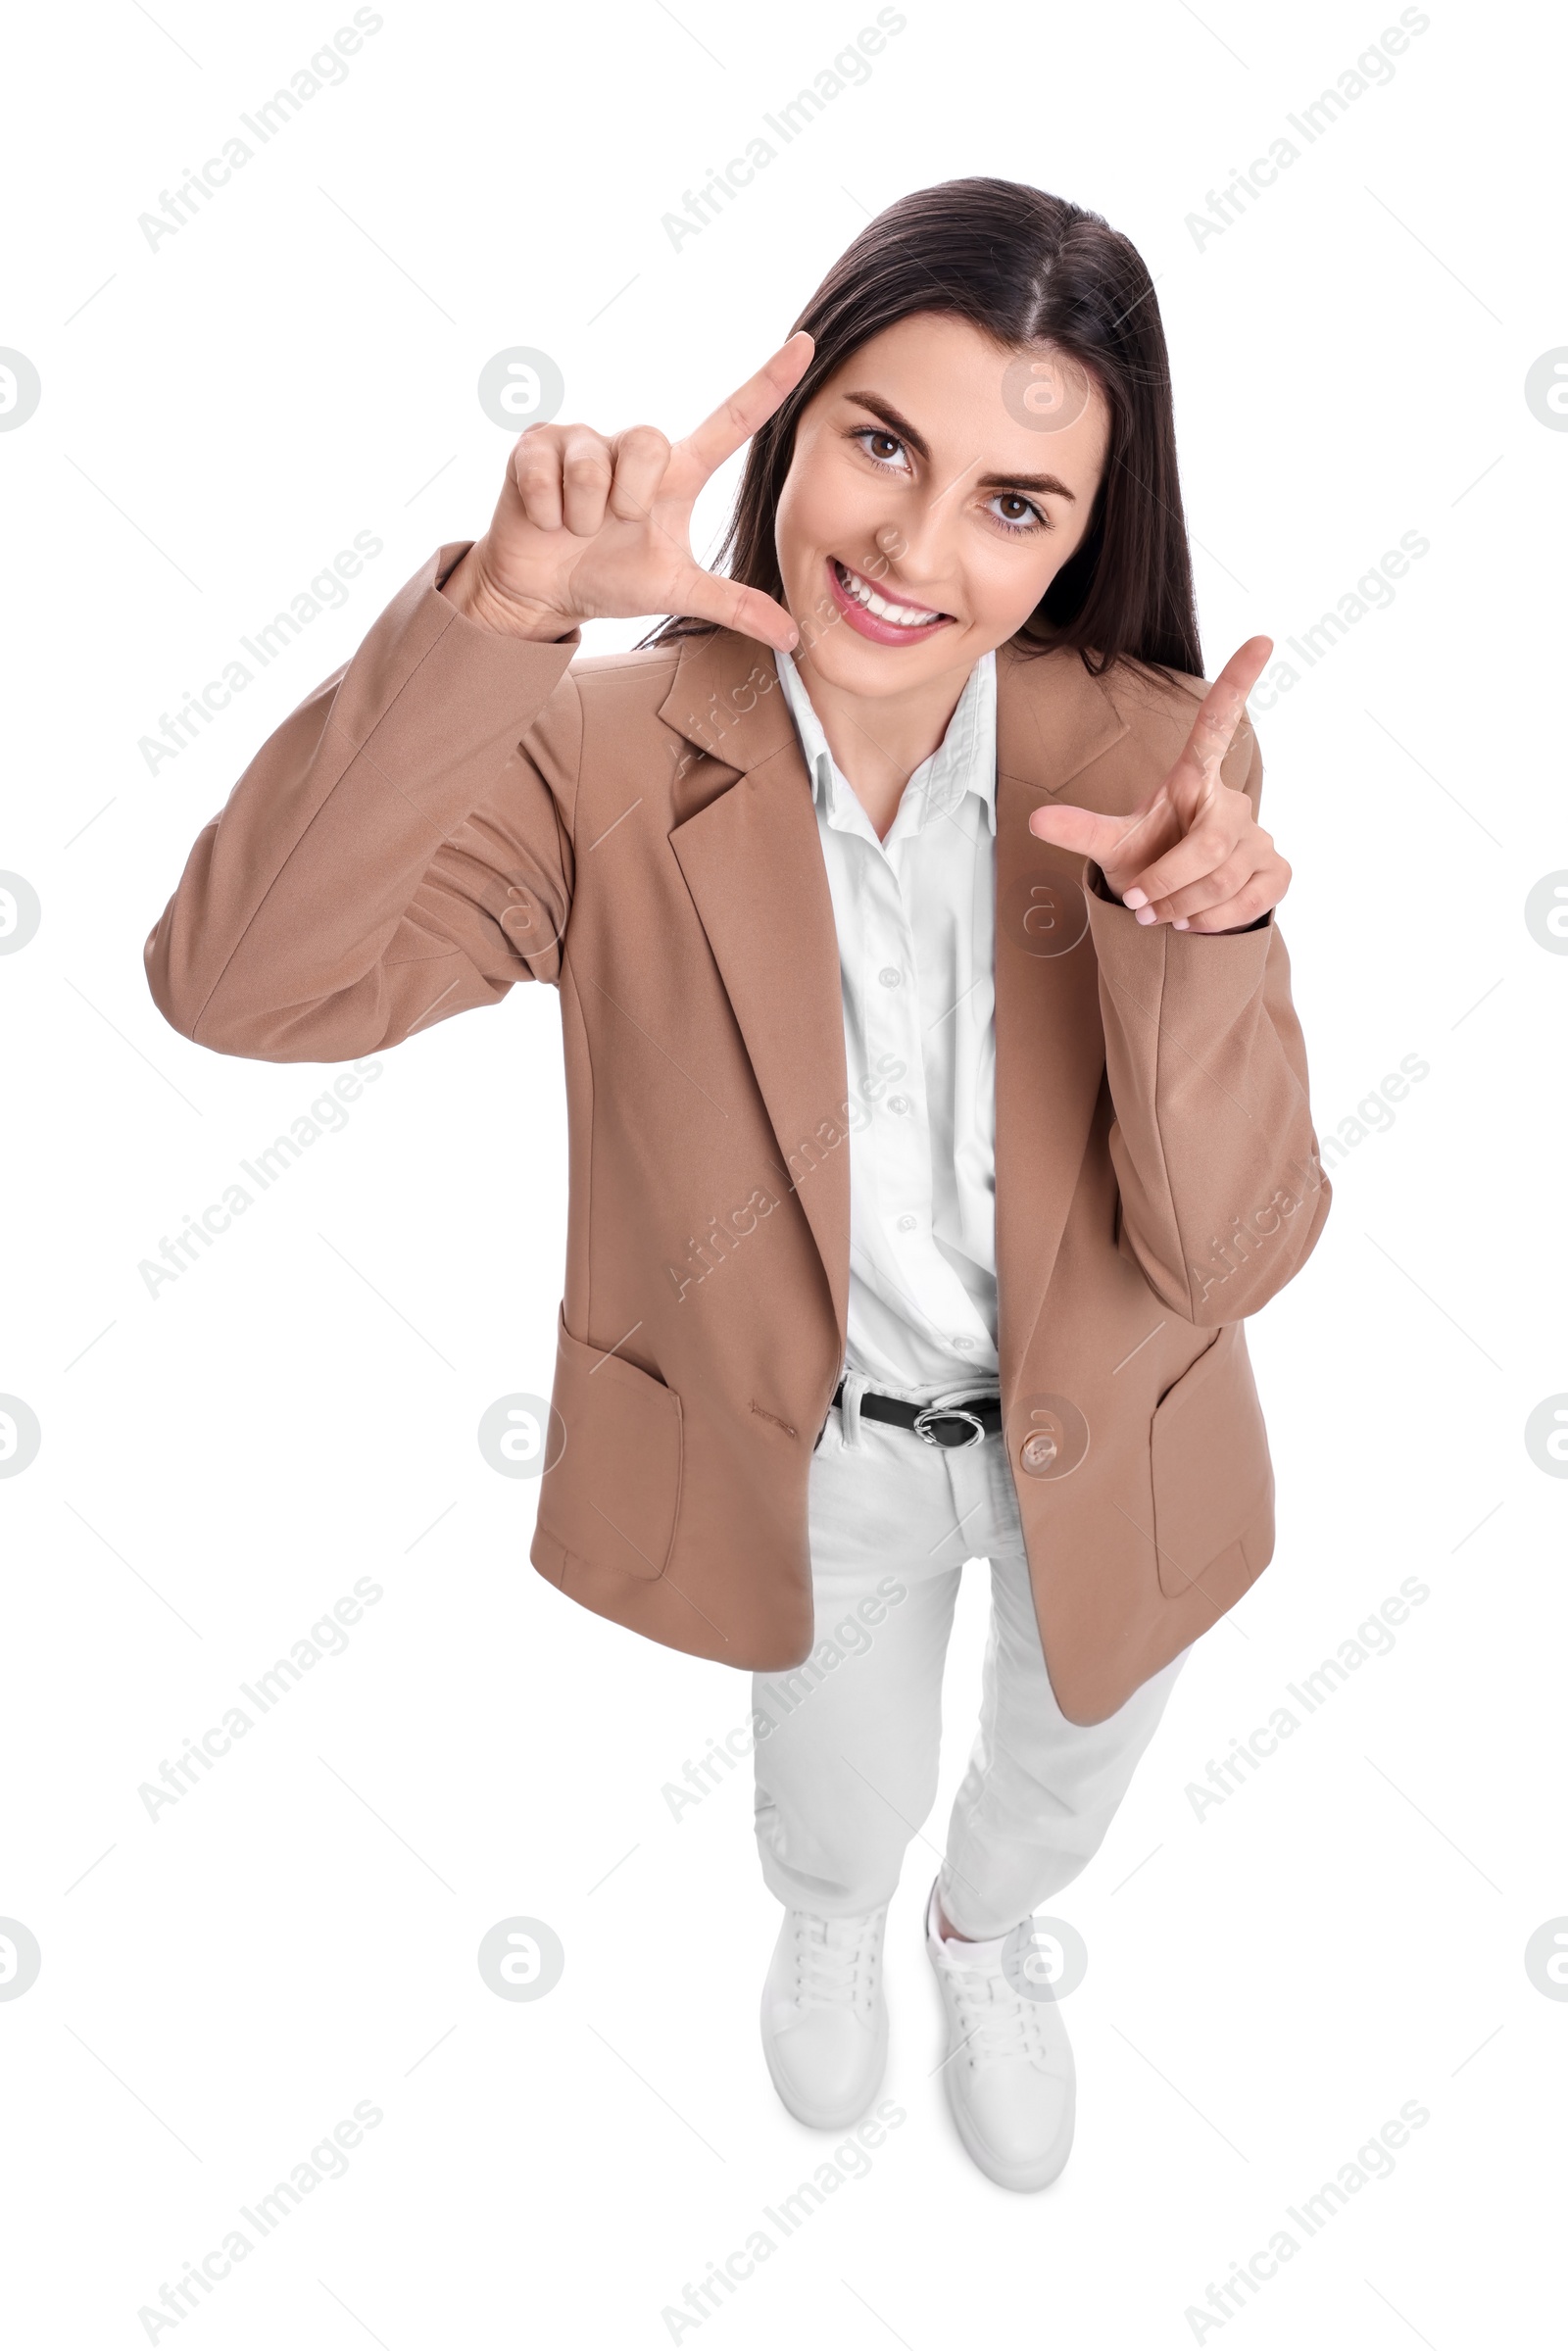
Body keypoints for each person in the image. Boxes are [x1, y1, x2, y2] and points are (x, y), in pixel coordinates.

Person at [145, 176, 1330, 2192]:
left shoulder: (1146, 753)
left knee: (1056, 1781)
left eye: (1011, 504)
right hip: (818, 1461)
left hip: (1117, 1439)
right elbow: (240, 989)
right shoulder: (601, 757)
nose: (912, 546)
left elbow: (1228, 1245)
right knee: (833, 1804)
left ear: (1074, 545)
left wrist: (1195, 948)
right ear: (794, 422)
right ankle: (843, 1926)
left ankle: (983, 1938)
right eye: (881, 443)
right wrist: (505, 620)